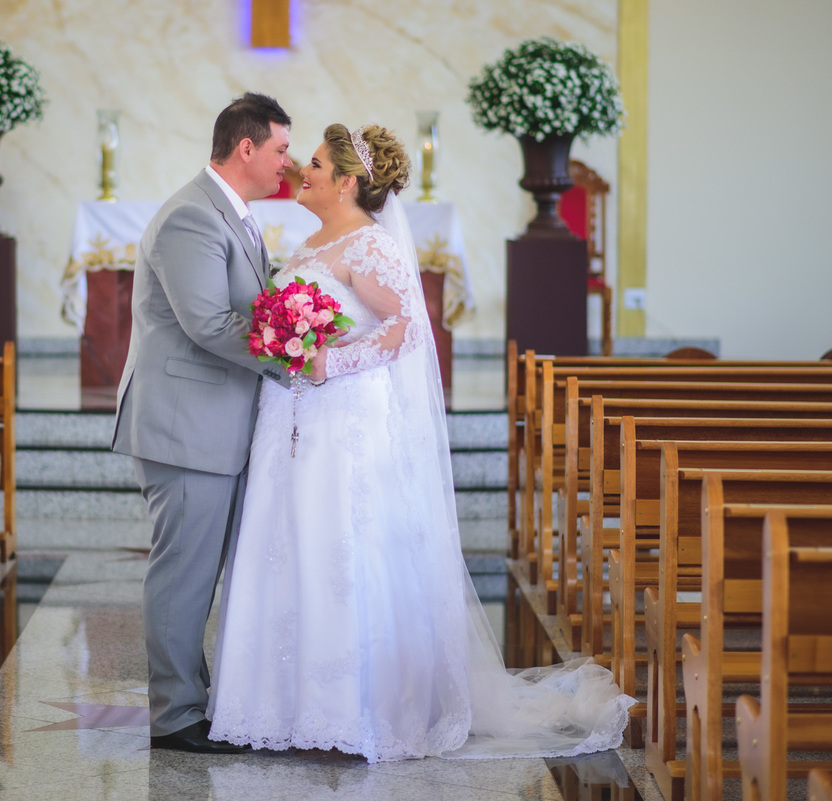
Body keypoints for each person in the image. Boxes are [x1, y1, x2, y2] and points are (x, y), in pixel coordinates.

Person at [206, 124, 636, 761]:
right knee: (287, 538)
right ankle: (278, 705)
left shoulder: (369, 244)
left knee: (339, 543)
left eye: (316, 164)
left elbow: (407, 330)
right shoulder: (312, 240)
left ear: (346, 182)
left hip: (342, 419)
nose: (303, 171)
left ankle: (352, 710)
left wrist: (331, 363)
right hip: (291, 418)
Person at [112, 92, 295, 754]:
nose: (288, 162)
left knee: (199, 574)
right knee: (183, 575)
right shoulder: (192, 216)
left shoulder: (232, 213)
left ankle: (194, 697)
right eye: (280, 148)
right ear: (246, 148)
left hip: (211, 424)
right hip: (185, 427)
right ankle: (174, 716)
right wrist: (296, 355)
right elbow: (210, 324)